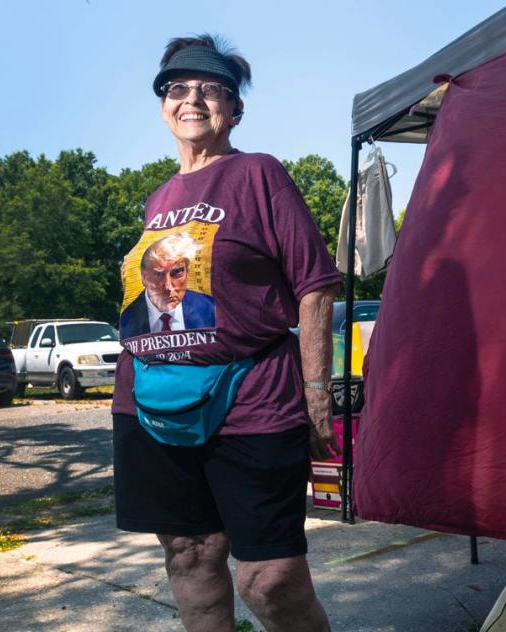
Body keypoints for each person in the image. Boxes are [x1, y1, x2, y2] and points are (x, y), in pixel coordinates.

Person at [111, 34, 341, 632]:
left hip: (253, 402)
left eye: (212, 89)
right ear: (163, 106)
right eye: (177, 89)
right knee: (188, 557)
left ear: (234, 109)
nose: (193, 99)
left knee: (270, 580)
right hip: (152, 405)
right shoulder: (156, 198)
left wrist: (317, 392)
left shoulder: (258, 174)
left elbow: (315, 284)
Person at [119, 232, 216, 338]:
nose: (168, 286)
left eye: (177, 272)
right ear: (144, 278)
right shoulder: (129, 317)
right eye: (158, 274)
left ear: (187, 272)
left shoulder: (211, 310)